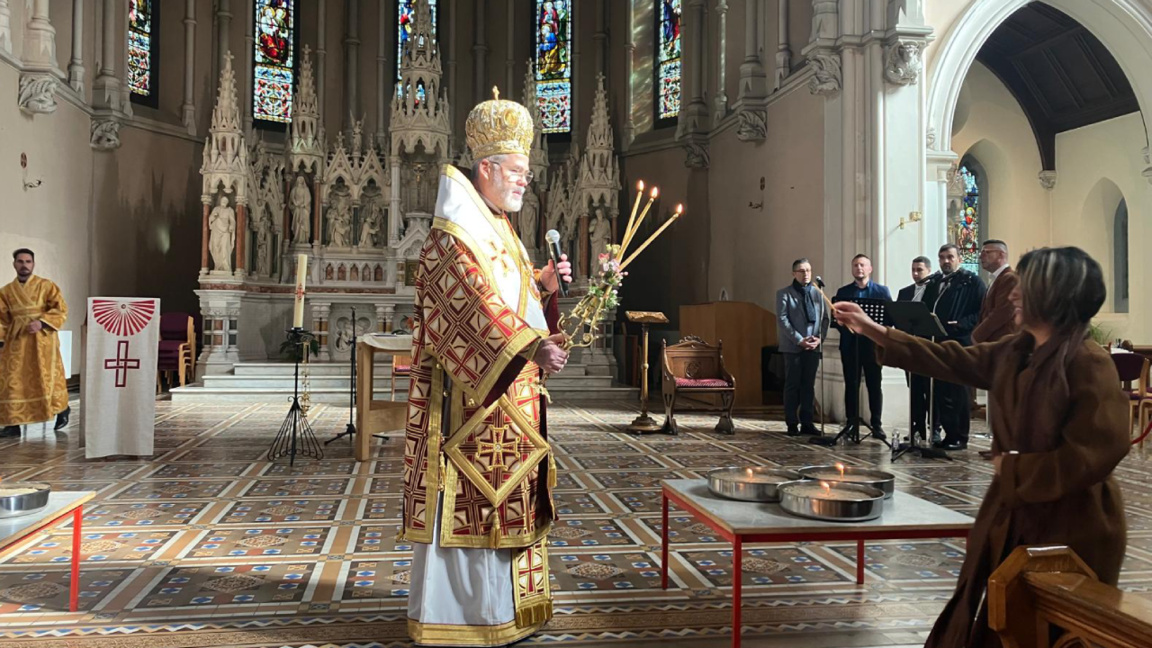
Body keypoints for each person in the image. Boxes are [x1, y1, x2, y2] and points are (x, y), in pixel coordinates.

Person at [832, 246, 1128, 648]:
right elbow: (950, 359)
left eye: (1025, 286)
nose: (1013, 295)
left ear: (1054, 295)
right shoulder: (1017, 350)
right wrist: (874, 330)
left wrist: (1015, 470)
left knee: (1047, 634)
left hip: (1070, 529)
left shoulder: (1088, 363)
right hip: (1012, 514)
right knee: (993, 620)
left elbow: (1095, 454)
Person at [403, 88, 572, 647]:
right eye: (518, 171)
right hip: (468, 406)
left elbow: (509, 297)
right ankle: (463, 618)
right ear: (487, 167)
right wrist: (530, 346)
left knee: (510, 500)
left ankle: (507, 612)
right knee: (473, 500)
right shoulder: (454, 232)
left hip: (510, 401)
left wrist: (543, 287)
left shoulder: (500, 228)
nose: (526, 181)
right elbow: (468, 304)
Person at [0, 249, 69, 437]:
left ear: (33, 264)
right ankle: (13, 423)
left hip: (42, 340)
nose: (24, 265)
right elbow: (2, 319)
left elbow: (60, 309)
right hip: (17, 341)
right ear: (14, 264)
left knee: (47, 378)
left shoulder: (47, 286)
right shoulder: (6, 291)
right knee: (13, 381)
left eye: (28, 261)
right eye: (20, 261)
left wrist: (42, 322)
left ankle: (61, 409)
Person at [925, 244, 986, 450]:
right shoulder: (935, 283)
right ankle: (947, 434)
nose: (945, 261)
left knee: (959, 393)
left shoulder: (972, 282)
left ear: (959, 259)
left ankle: (960, 436)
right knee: (942, 391)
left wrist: (960, 324)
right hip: (939, 343)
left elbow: (981, 312)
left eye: (950, 257)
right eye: (942, 257)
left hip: (961, 343)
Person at [832, 254, 892, 440]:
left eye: (863, 265)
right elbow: (836, 321)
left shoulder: (882, 292)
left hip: (873, 346)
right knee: (851, 384)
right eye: (856, 265)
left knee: (874, 384)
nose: (859, 268)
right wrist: (844, 325)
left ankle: (876, 424)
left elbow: (889, 319)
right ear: (852, 269)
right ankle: (851, 422)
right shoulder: (843, 292)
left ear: (870, 269)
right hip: (850, 345)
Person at [776, 259, 829, 437]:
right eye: (801, 271)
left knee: (809, 385)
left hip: (813, 346)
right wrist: (800, 340)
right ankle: (792, 422)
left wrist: (819, 339)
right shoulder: (785, 294)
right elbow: (783, 320)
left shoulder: (818, 293)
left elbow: (825, 319)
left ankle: (807, 422)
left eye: (808, 270)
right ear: (794, 273)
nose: (806, 274)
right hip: (793, 347)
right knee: (792, 385)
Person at [896, 256, 937, 442]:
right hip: (910, 349)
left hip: (929, 349)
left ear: (928, 270)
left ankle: (934, 428)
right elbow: (898, 320)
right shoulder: (905, 292)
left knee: (931, 391)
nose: (915, 273)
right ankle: (916, 428)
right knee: (914, 391)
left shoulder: (935, 291)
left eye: (919, 270)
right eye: (913, 269)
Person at [972, 239, 1018, 344]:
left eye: (986, 252)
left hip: (1002, 341)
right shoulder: (997, 278)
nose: (980, 257)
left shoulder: (1009, 278)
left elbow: (1001, 313)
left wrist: (977, 335)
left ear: (1001, 255)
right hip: (991, 341)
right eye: (981, 253)